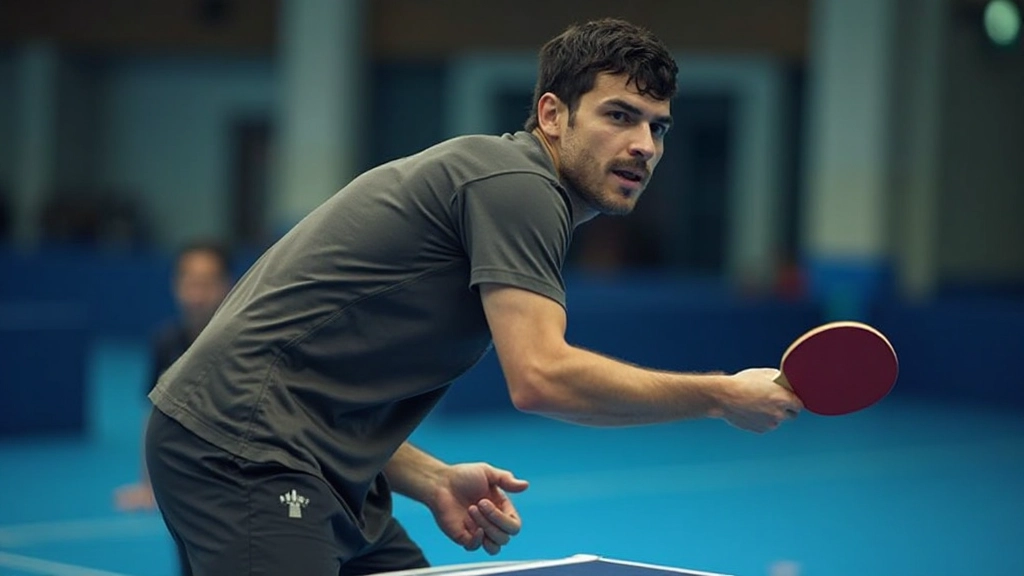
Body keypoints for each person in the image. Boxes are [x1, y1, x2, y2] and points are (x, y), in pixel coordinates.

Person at [144, 18, 803, 576]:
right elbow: (542, 378)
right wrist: (722, 395)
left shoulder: (509, 188)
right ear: (551, 113)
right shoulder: (518, 184)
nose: (642, 145)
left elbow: (316, 389)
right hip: (241, 454)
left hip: (316, 462)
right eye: (619, 116)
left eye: (657, 128)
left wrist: (431, 479)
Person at [113, 241, 232, 570]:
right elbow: (153, 414)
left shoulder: (242, 344)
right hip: (187, 490)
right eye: (189, 282)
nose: (196, 294)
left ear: (226, 286)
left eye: (206, 283)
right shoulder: (165, 342)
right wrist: (147, 483)